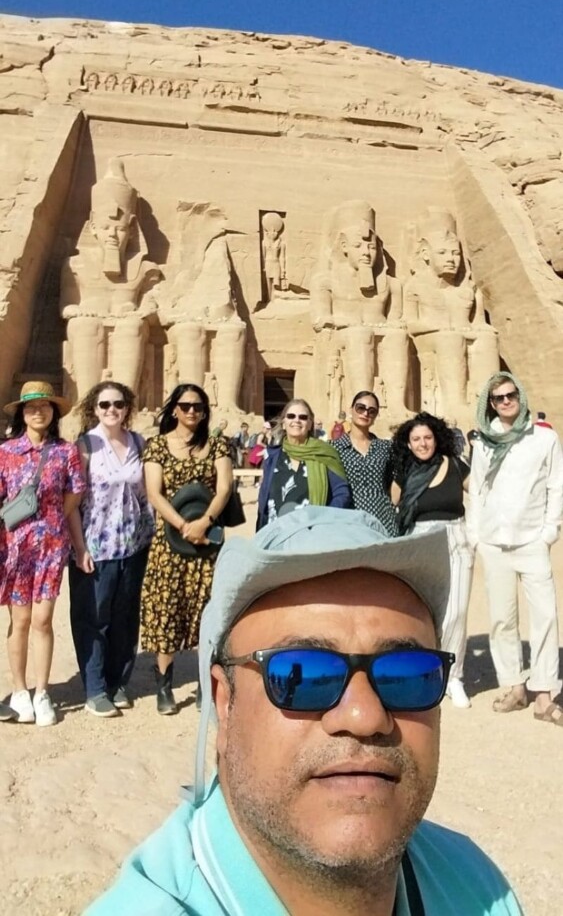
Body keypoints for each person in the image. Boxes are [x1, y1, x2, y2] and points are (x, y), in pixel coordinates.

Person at [87, 508, 523, 915]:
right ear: (224, 702)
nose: (364, 716)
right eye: (304, 674)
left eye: (405, 675)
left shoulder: (478, 889)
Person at [467, 372, 563, 724]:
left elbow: (556, 485)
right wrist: (476, 535)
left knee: (546, 616)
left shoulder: (544, 438)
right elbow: (476, 490)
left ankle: (543, 692)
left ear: (520, 396)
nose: (506, 402)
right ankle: (514, 685)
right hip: (494, 540)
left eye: (510, 395)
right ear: (490, 403)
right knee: (502, 620)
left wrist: (549, 532)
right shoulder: (484, 441)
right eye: (499, 398)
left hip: (532, 540)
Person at [141, 383, 233, 714]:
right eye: (185, 405)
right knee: (167, 609)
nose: (191, 411)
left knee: (206, 612)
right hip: (170, 540)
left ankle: (204, 685)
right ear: (174, 409)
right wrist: (183, 526)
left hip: (207, 538)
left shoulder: (217, 444)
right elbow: (154, 493)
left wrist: (204, 521)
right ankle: (164, 684)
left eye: (198, 406)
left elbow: (224, 487)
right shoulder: (156, 446)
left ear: (205, 411)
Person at [67, 381, 155, 718]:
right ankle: (94, 687)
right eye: (105, 405)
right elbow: (72, 503)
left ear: (128, 407)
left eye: (118, 404)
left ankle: (118, 681)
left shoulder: (139, 442)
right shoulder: (86, 445)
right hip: (96, 544)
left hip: (133, 543)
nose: (112, 410)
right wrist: (79, 547)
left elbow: (146, 493)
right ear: (94, 408)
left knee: (125, 615)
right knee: (93, 617)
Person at [0, 381, 85, 726]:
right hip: (14, 547)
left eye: (45, 406)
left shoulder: (66, 452)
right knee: (19, 621)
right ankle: (20, 691)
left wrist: (51, 523)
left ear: (54, 412)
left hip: (50, 545)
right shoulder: (6, 453)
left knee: (43, 620)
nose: (39, 411)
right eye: (32, 407)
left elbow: (74, 495)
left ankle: (42, 691)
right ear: (22, 412)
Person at [392, 413, 473, 709]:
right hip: (420, 540)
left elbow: (484, 488)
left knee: (457, 609)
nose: (422, 443)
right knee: (423, 609)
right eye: (416, 439)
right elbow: (393, 504)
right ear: (408, 444)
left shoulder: (453, 464)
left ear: (437, 437)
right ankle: (423, 670)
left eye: (427, 437)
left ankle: (453, 676)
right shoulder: (406, 470)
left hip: (456, 536)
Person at [257, 398, 351, 529]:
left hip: (313, 535)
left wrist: (324, 521)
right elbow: (264, 499)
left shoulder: (324, 453)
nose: (296, 420)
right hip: (276, 535)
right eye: (291, 416)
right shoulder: (272, 458)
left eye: (303, 417)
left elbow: (341, 492)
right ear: (284, 423)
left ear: (310, 424)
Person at [331, 390, 398, 537]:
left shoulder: (385, 447)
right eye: (360, 408)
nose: (365, 413)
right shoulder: (334, 447)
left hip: (383, 517)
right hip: (349, 518)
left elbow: (393, 481)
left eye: (372, 411)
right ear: (351, 409)